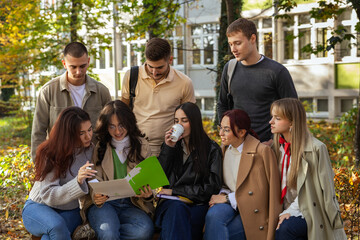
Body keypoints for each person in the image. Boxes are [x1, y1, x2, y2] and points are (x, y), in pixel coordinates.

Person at [269, 98, 346, 240]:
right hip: (283, 208)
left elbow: (322, 190)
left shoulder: (316, 148)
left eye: (277, 118)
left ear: (292, 122)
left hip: (309, 209)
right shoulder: (275, 149)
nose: (271, 122)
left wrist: (290, 212)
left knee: (286, 229)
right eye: (272, 117)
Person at [81, 100, 154, 240]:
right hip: (105, 203)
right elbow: (94, 177)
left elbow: (151, 180)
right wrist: (96, 194)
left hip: (132, 204)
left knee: (144, 231)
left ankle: (102, 232)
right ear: (106, 127)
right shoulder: (100, 145)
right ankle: (107, 232)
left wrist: (148, 194)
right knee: (108, 232)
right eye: (112, 127)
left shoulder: (142, 145)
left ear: (129, 123)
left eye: (121, 125)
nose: (118, 131)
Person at [204, 109, 282, 240]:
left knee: (223, 232)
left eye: (227, 130)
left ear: (241, 132)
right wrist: (223, 194)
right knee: (213, 215)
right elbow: (226, 183)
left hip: (254, 210)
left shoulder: (262, 152)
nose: (220, 133)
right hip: (231, 203)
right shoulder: (225, 149)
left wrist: (228, 199)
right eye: (221, 128)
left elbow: (265, 193)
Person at [217, 18, 298, 143]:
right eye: (230, 44)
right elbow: (222, 104)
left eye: (238, 43)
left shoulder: (276, 71)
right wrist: (227, 132)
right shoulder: (229, 68)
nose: (233, 49)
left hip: (268, 147)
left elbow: (293, 111)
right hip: (238, 145)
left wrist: (274, 142)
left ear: (252, 39)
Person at [22, 107, 96, 239]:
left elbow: (94, 181)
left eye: (90, 129)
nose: (88, 136)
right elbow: (47, 194)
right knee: (56, 226)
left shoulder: (90, 150)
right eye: (81, 133)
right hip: (38, 206)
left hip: (69, 210)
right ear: (68, 133)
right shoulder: (50, 153)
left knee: (50, 236)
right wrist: (78, 182)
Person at [31, 41, 112, 160]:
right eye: (73, 67)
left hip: (93, 160)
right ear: (64, 64)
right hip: (60, 161)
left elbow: (110, 129)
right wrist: (39, 164)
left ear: (88, 61)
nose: (78, 72)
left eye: (82, 66)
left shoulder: (102, 92)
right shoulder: (48, 91)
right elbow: (38, 132)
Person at [155, 102, 223, 240]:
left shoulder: (212, 149)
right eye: (176, 121)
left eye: (184, 121)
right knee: (177, 210)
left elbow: (211, 188)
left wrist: (175, 191)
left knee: (178, 219)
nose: (179, 125)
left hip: (197, 204)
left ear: (194, 122)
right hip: (171, 204)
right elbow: (159, 176)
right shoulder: (171, 146)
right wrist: (168, 149)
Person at [121, 37, 195, 156]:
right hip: (135, 146)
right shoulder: (131, 76)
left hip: (169, 148)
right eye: (150, 66)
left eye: (160, 67)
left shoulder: (184, 83)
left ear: (170, 60)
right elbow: (122, 111)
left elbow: (191, 119)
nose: (154, 72)